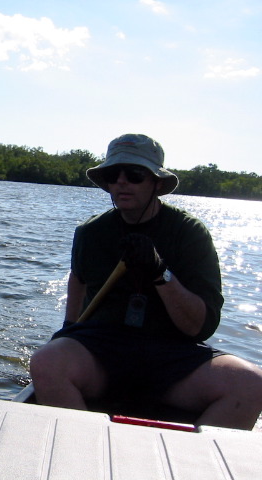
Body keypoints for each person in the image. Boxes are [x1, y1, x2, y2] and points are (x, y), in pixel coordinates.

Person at [29, 133, 262, 430]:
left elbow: (200, 327)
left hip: (172, 354)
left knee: (252, 385)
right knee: (46, 363)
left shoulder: (189, 232)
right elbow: (79, 278)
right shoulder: (91, 232)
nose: (122, 182)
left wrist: (159, 273)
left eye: (135, 174)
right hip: (102, 346)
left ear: (157, 183)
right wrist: (68, 328)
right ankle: (84, 452)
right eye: (114, 175)